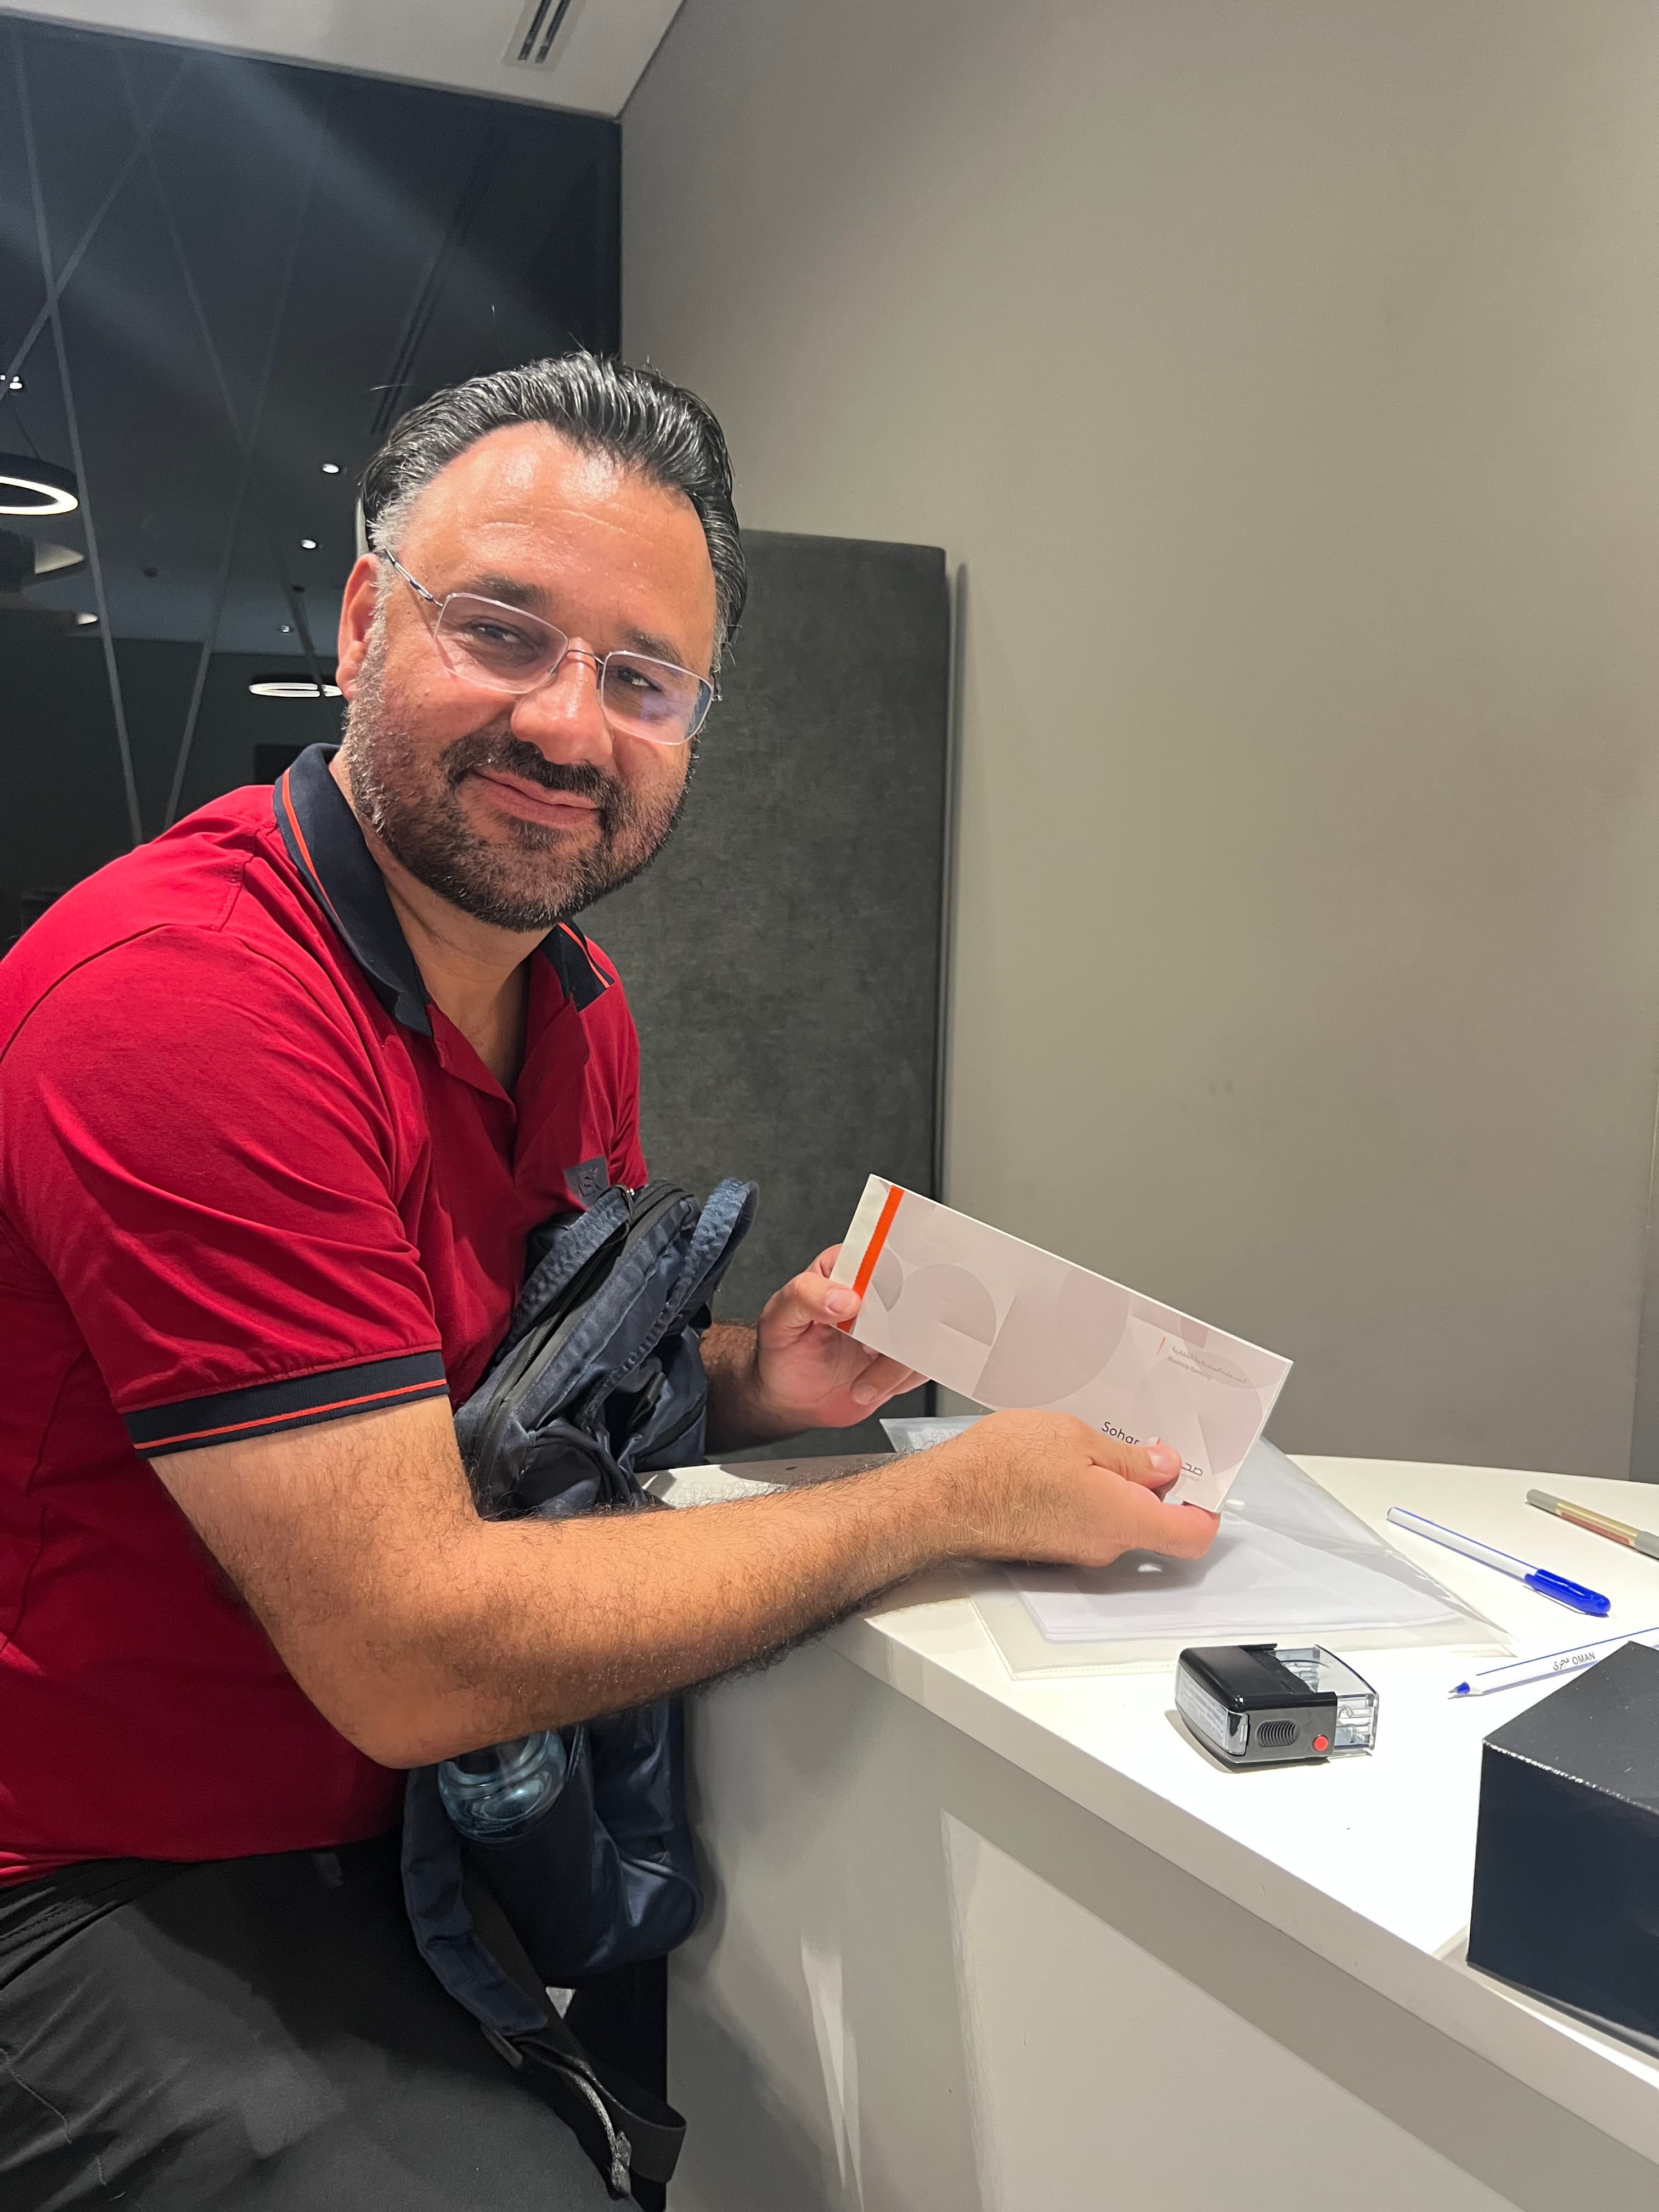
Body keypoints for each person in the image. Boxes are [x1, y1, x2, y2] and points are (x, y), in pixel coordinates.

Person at [0, 353, 1218, 2208]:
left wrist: (751, 1381)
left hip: (422, 1820)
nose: (572, 727)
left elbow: (518, 1387)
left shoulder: (570, 1000)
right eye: (503, 631)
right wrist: (940, 1500)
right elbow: (411, 1647)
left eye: (644, 680)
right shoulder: (184, 1001)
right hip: (104, 1872)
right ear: (358, 621)